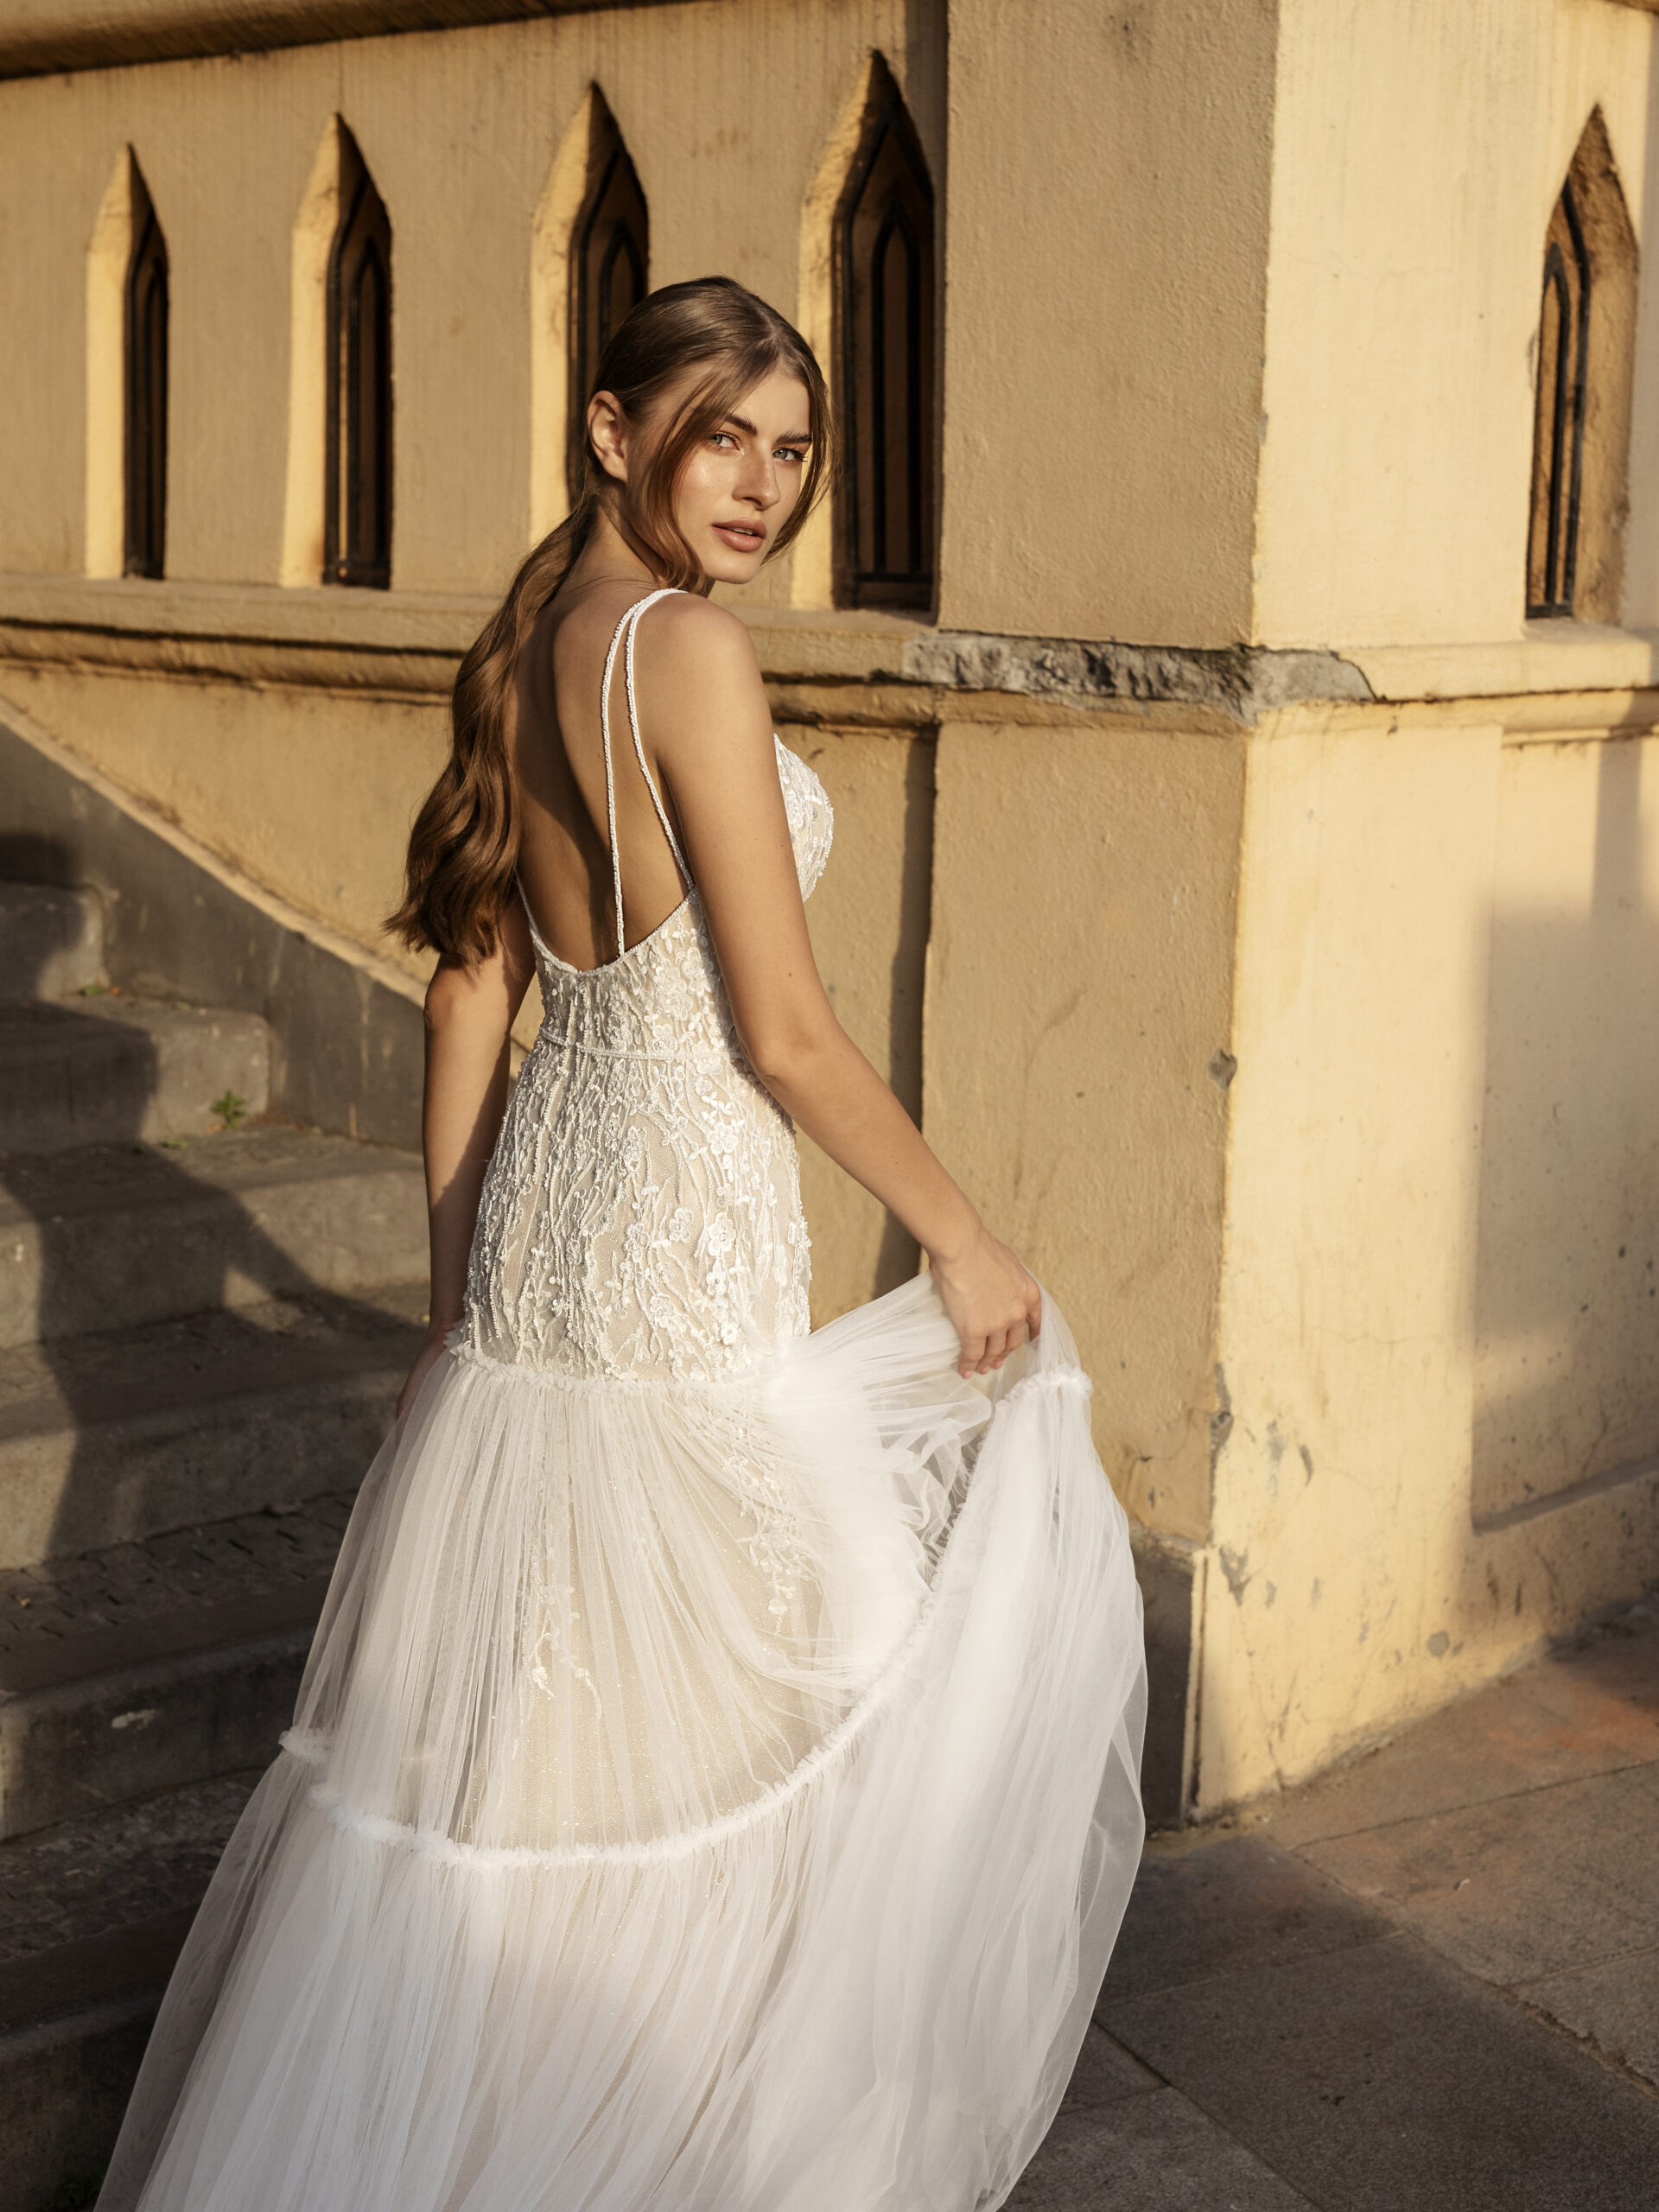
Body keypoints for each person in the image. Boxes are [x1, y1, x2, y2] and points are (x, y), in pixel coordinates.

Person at [99, 276, 1146, 2212]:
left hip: (545, 1258)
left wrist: (453, 1308)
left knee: (559, 1744)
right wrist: (964, 1239)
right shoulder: (686, 650)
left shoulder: (526, 644)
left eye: (793, 450)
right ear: (613, 428)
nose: (762, 485)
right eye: (721, 434)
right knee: (808, 1689)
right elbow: (787, 1034)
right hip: (679, 1251)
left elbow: (469, 990)